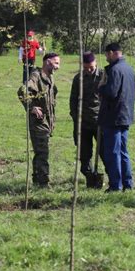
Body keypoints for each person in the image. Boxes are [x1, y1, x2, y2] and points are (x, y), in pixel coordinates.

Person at [98, 43, 135, 192]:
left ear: (113, 53)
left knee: (113, 152)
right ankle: (128, 183)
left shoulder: (114, 70)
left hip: (113, 115)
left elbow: (111, 92)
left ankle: (115, 185)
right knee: (123, 151)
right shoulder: (130, 69)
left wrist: (100, 88)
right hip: (126, 115)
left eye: (107, 54)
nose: (106, 58)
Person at [18, 53, 60, 188]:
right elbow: (22, 91)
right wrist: (32, 107)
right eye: (56, 63)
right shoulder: (36, 76)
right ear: (48, 62)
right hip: (38, 123)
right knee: (43, 152)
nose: (58, 66)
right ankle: (43, 183)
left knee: (40, 152)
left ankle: (37, 179)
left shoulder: (49, 77)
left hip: (47, 122)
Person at [69, 51, 106, 188]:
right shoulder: (78, 79)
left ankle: (110, 177)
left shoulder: (103, 76)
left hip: (100, 122)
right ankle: (89, 175)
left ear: (95, 63)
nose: (88, 70)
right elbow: (73, 100)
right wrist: (75, 116)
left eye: (90, 67)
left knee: (104, 151)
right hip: (82, 122)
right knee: (84, 154)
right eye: (85, 68)